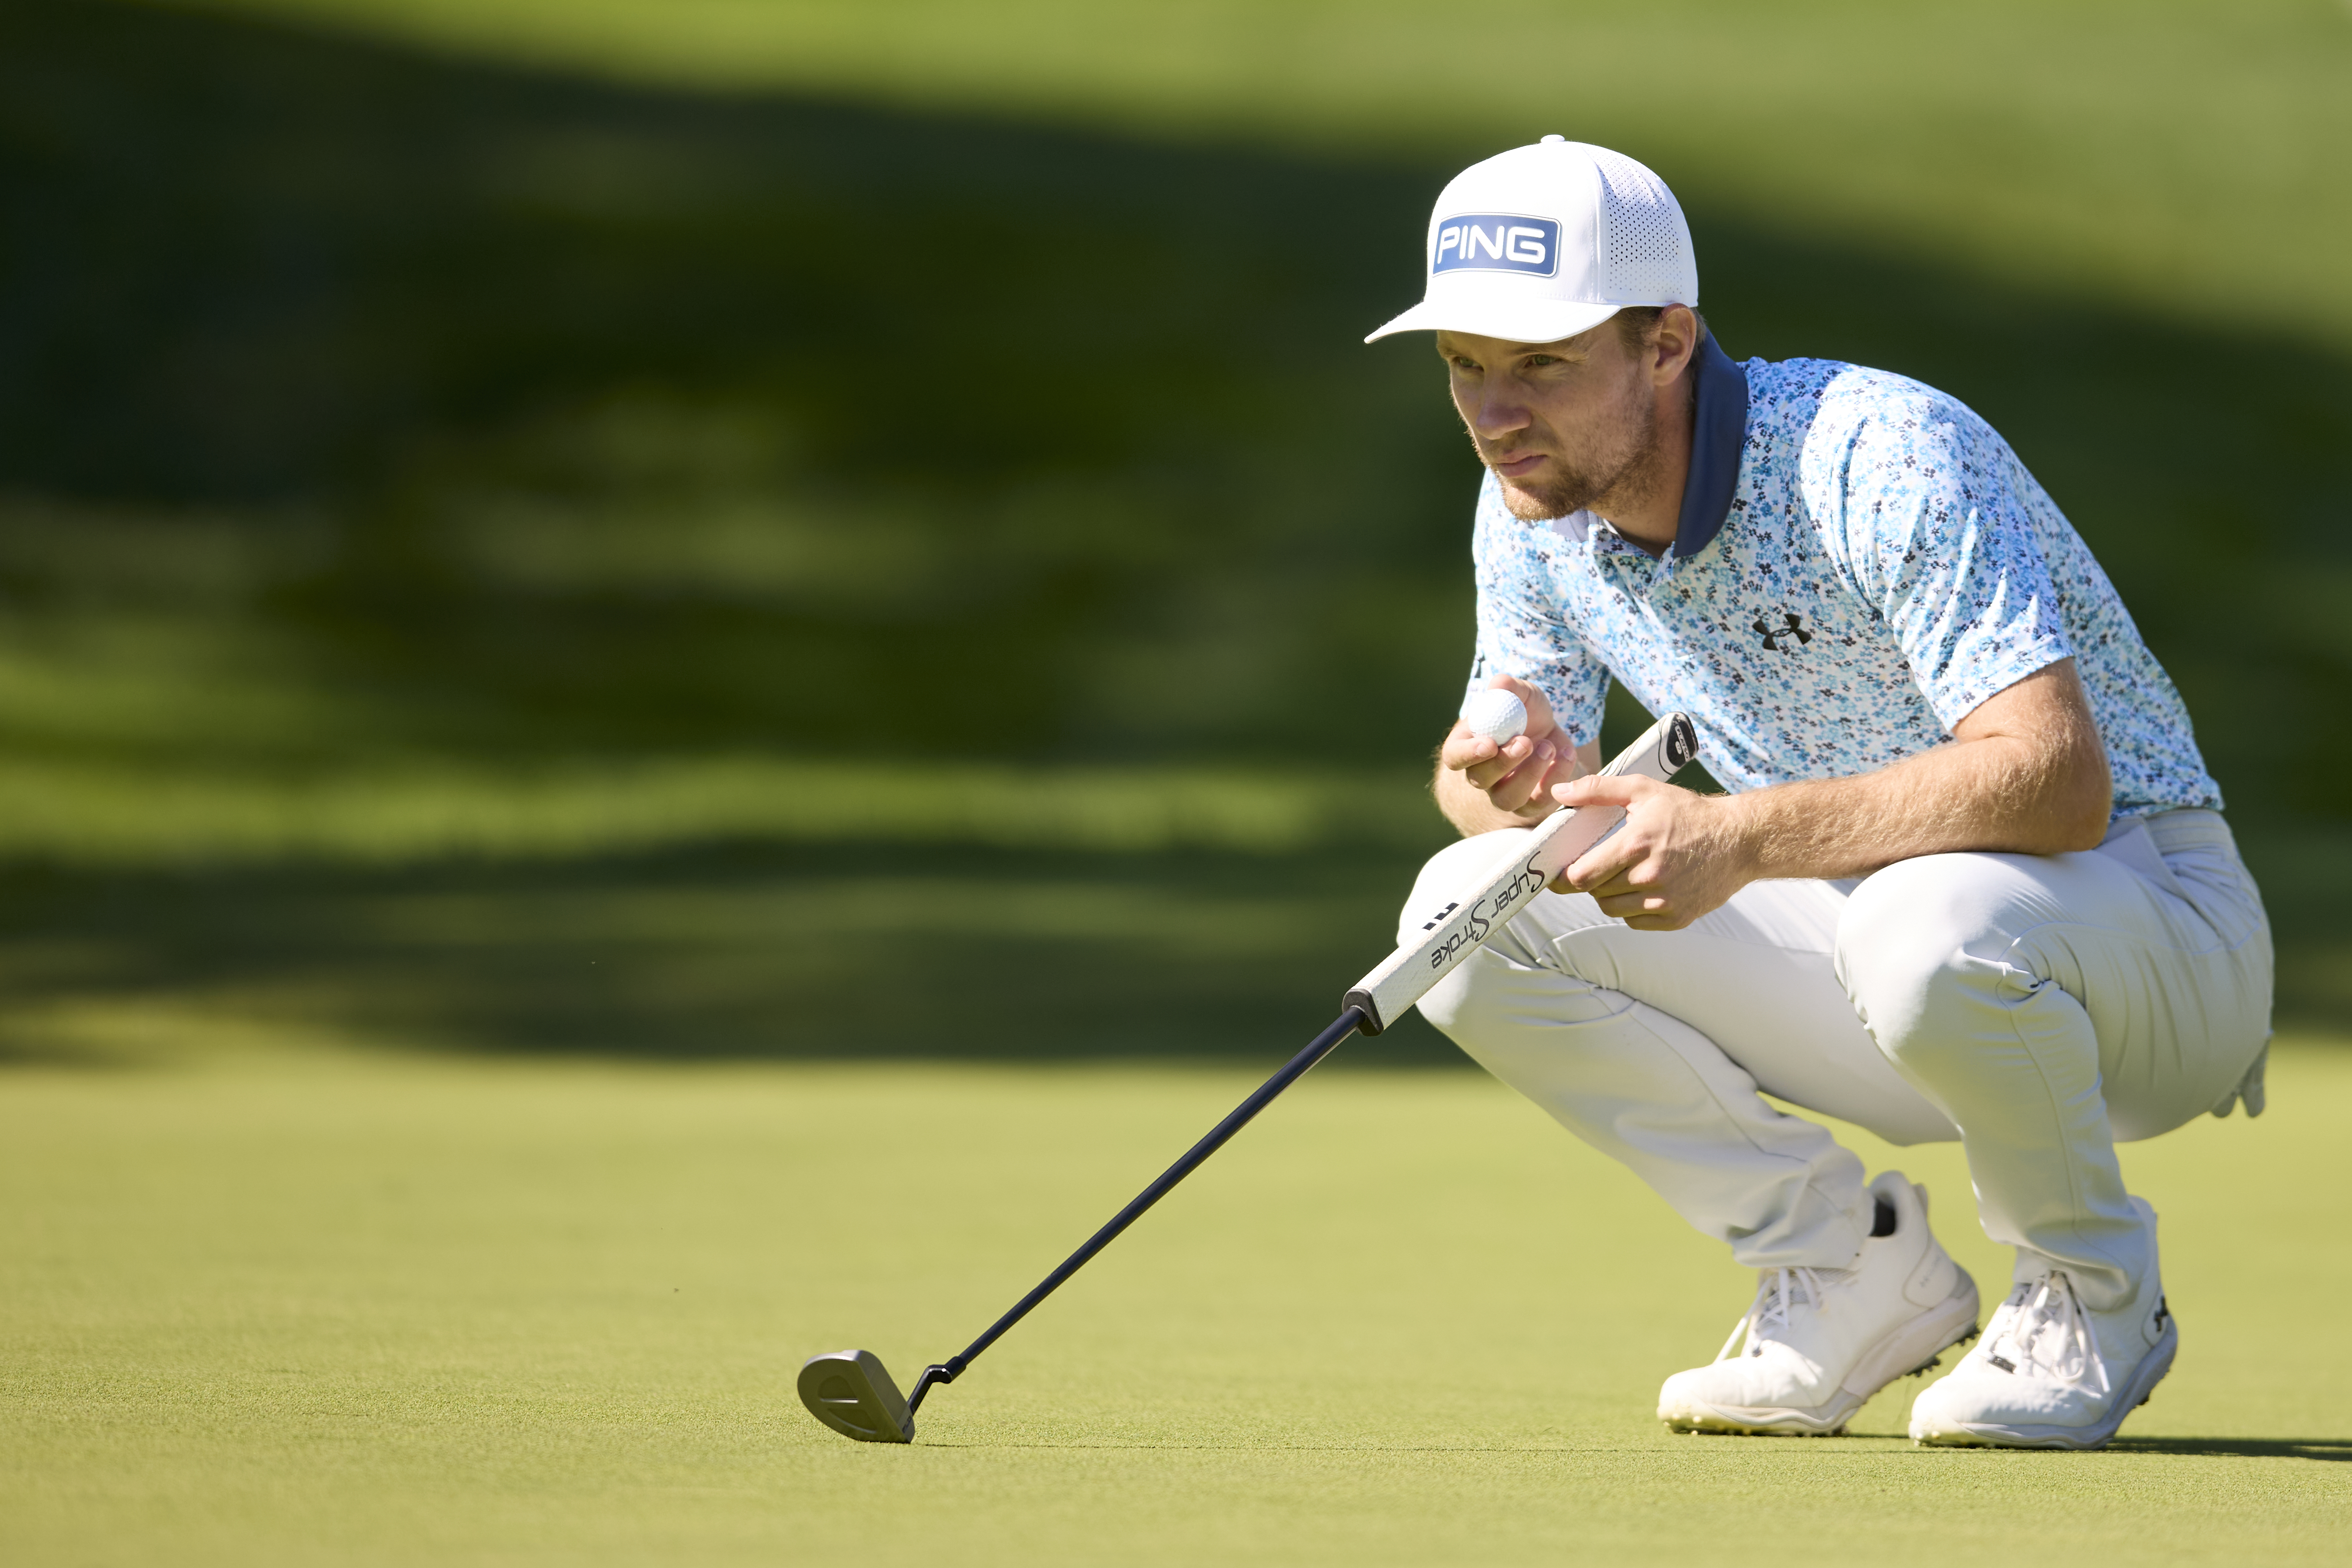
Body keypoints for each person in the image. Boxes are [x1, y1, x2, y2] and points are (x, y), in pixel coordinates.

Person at [1365, 137, 2272, 1449]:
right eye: (1465, 365)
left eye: (1543, 365)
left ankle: (2094, 1293)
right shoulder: (1531, 504)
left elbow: (2060, 783)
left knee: (1929, 923)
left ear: (1668, 342)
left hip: (2153, 933)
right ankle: (1851, 1271)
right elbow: (1506, 810)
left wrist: (1736, 835)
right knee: (1461, 914)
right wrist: (1499, 790)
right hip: (1888, 953)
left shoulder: (1878, 449)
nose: (1496, 411)